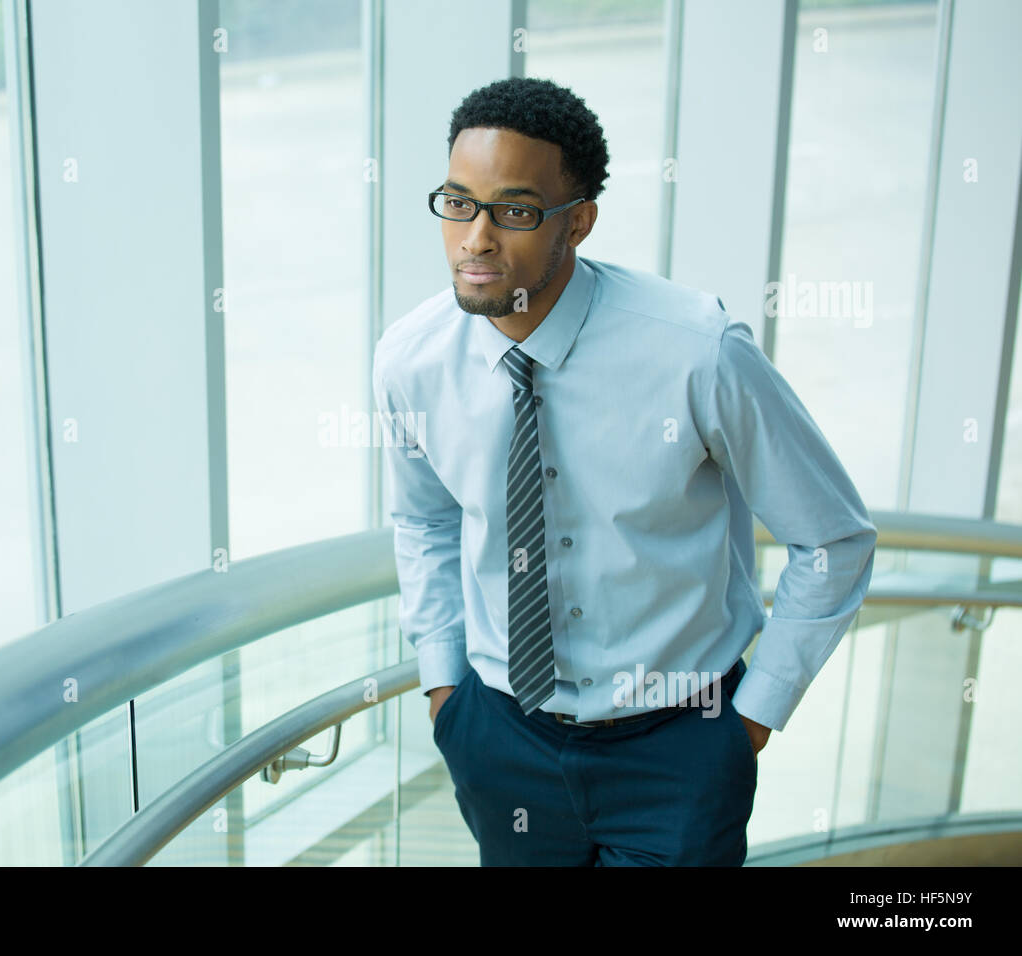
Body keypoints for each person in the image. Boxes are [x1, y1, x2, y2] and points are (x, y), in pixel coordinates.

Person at [371, 77, 877, 866]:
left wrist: (743, 728)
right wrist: (445, 694)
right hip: (500, 741)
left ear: (578, 223)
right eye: (457, 202)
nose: (475, 239)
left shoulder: (696, 352)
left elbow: (834, 539)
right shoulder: (411, 361)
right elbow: (426, 521)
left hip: (678, 748)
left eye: (514, 211)